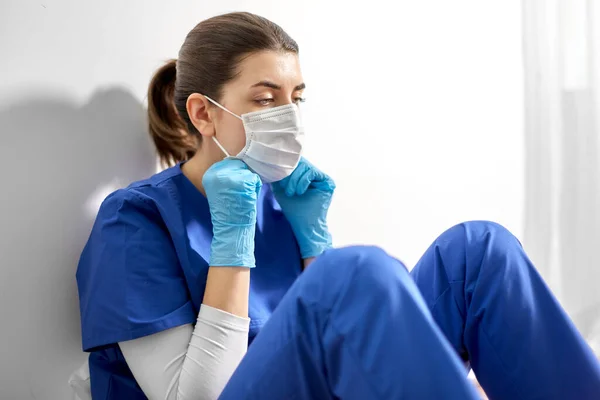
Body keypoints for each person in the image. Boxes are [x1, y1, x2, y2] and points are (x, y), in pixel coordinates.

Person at [76, 11, 600, 400]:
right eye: (264, 99)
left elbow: (329, 343)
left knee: (479, 250)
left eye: (295, 97)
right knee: (357, 271)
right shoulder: (134, 222)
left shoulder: (279, 204)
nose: (289, 116)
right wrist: (231, 242)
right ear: (203, 114)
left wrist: (314, 245)